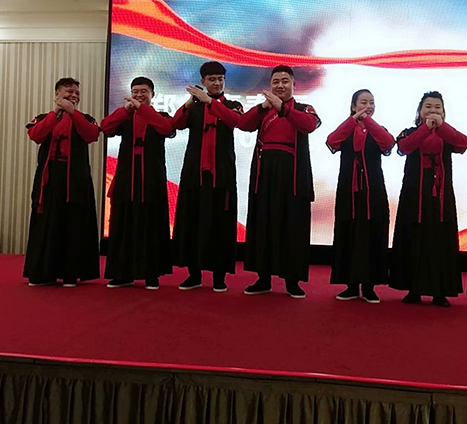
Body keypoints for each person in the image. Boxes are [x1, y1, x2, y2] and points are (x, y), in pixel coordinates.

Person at [237, 65, 321, 298]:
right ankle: (263, 278)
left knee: (292, 226)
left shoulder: (304, 108)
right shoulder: (263, 109)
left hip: (292, 176)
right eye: (276, 81)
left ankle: (292, 281)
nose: (280, 85)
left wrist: (282, 108)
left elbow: (309, 125)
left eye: (285, 81)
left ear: (294, 85)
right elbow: (243, 124)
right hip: (265, 173)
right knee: (263, 223)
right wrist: (264, 106)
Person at [389, 92, 467, 307]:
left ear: (443, 111)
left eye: (437, 107)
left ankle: (439, 292)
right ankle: (413, 289)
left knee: (440, 240)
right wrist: (426, 128)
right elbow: (404, 148)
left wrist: (441, 127)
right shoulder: (410, 132)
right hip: (414, 195)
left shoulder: (447, 133)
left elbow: (463, 145)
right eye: (428, 106)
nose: (433, 110)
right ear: (420, 111)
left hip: (441, 197)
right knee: (414, 238)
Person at [171, 61, 244, 292]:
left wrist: (210, 102)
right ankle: (194, 274)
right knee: (192, 221)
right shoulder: (194, 106)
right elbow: (176, 124)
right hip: (195, 174)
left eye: (221, 79)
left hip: (222, 175)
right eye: (212, 79)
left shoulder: (232, 105)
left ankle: (219, 276)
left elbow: (236, 121)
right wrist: (190, 102)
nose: (217, 83)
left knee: (220, 224)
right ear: (202, 81)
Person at [23, 77, 100, 287]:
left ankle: (70, 273)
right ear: (57, 94)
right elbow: (36, 135)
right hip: (49, 179)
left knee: (74, 224)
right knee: (45, 224)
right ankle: (42, 273)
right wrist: (57, 112)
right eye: (69, 92)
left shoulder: (85, 119)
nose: (73, 96)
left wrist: (73, 113)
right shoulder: (44, 117)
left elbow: (92, 135)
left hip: (76, 179)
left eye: (77, 93)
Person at [100, 77, 174, 289]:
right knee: (122, 226)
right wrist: (126, 110)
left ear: (153, 94)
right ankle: (122, 274)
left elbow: (166, 129)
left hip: (151, 179)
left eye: (144, 91)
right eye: (135, 91)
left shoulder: (161, 116)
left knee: (151, 227)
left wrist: (142, 110)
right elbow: (105, 127)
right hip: (127, 178)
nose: (139, 95)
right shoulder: (125, 116)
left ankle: (151, 274)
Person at [326, 89, 395, 303]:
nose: (368, 106)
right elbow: (332, 142)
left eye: (371, 103)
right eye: (363, 102)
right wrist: (353, 120)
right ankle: (351, 285)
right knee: (349, 233)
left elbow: (388, 144)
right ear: (353, 106)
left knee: (372, 234)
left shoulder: (378, 129)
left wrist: (368, 121)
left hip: (373, 190)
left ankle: (369, 287)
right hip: (349, 190)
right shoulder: (347, 128)